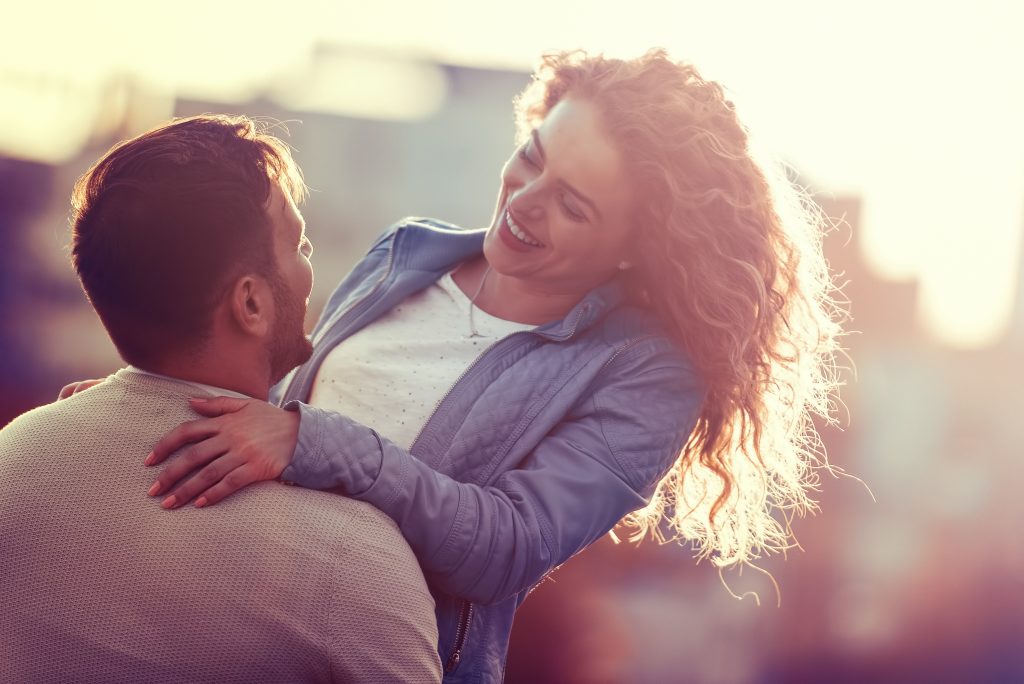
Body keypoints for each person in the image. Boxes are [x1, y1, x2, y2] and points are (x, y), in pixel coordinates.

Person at [135, 50, 839, 682]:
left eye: (572, 205)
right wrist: (148, 403)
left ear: (637, 247)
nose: (525, 204)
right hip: (228, 629)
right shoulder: (405, 251)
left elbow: (503, 548)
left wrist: (314, 444)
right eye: (533, 159)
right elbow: (271, 409)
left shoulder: (646, 377)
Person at [0, 115, 442, 683]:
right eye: (300, 244)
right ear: (250, 304)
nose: (310, 273)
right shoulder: (352, 555)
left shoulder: (13, 461)